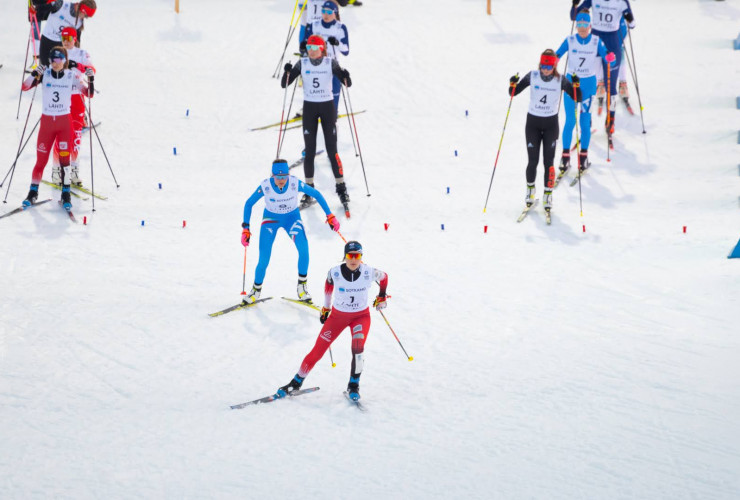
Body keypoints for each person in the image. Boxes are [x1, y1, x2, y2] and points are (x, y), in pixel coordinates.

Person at [276, 240, 388, 401]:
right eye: (350, 255)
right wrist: (326, 309)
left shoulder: (368, 272)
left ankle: (354, 385)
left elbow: (384, 277)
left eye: (357, 256)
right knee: (318, 350)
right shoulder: (334, 272)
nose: (353, 259)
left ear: (361, 256)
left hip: (360, 317)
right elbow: (328, 290)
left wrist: (382, 296)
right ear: (345, 256)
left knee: (358, 348)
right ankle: (296, 382)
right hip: (337, 317)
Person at [241, 159, 341, 304]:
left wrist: (330, 215)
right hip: (271, 220)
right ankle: (255, 291)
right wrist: (245, 228)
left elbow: (317, 194)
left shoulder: (294, 183)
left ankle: (302, 287)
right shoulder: (266, 186)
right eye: (278, 177)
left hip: (291, 219)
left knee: (304, 250)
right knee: (264, 258)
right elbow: (248, 203)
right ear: (272, 176)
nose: (281, 180)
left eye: (284, 177)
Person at [281, 35, 352, 208]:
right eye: (310, 49)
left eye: (315, 48)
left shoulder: (330, 62)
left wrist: (345, 75)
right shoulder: (302, 63)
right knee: (310, 151)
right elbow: (285, 84)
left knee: (332, 150)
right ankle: (309, 191)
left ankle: (341, 187)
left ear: (322, 49)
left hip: (327, 108)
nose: (312, 52)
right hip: (310, 109)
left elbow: (347, 83)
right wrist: (287, 72)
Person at [21, 46, 94, 210]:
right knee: (41, 160)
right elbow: (24, 87)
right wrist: (34, 73)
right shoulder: (44, 74)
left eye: (59, 59)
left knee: (64, 161)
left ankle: (65, 194)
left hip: (64, 123)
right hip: (47, 123)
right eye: (53, 59)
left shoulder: (71, 75)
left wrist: (90, 80)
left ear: (65, 60)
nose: (55, 63)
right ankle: (33, 193)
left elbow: (88, 94)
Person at [508, 50, 581, 213]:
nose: (545, 69)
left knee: (549, 163)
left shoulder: (560, 80)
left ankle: (548, 195)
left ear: (554, 66)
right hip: (533, 123)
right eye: (543, 65)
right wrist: (512, 83)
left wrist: (576, 85)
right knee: (532, 161)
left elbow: (578, 97)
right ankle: (530, 192)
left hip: (550, 124)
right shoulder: (532, 76)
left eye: (549, 66)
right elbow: (513, 93)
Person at [555, 12, 613, 173]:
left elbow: (607, 56)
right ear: (576, 26)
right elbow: (558, 53)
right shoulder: (570, 40)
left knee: (585, 122)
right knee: (570, 121)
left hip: (588, 85)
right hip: (570, 85)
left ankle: (583, 157)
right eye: (579, 25)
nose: (581, 28)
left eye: (584, 25)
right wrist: (553, 61)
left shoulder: (596, 41)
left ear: (589, 26)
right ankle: (565, 157)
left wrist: (610, 58)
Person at [571, 0, 635, 136]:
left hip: (612, 46)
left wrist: (629, 18)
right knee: (588, 83)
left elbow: (633, 24)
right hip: (593, 44)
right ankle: (586, 121)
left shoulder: (621, 2)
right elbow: (574, 16)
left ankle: (610, 121)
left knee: (610, 87)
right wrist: (575, 5)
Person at [51, 26, 94, 186]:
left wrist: (79, 66)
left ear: (75, 39)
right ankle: (56, 172)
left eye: (69, 39)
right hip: (61, 98)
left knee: (75, 136)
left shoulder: (82, 54)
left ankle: (74, 172)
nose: (66, 42)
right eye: (63, 39)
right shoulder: (57, 54)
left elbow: (92, 70)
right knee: (60, 136)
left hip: (77, 98)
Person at [304, 1, 349, 112]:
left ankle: (333, 114)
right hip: (316, 65)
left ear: (335, 13)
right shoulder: (314, 25)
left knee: (334, 90)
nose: (326, 14)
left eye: (329, 12)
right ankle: (310, 110)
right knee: (314, 90)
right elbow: (305, 45)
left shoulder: (340, 28)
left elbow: (346, 51)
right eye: (323, 11)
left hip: (332, 65)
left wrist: (337, 43)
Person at [39, 0, 96, 66]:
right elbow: (42, 8)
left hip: (62, 44)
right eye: (86, 16)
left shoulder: (79, 23)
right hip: (47, 40)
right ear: (82, 10)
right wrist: (35, 12)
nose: (84, 18)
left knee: (57, 68)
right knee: (44, 66)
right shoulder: (61, 5)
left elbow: (76, 41)